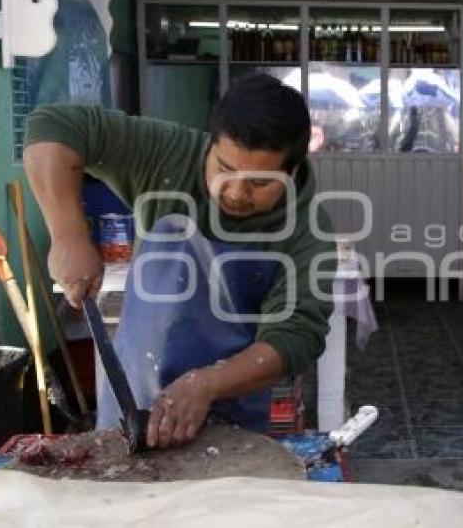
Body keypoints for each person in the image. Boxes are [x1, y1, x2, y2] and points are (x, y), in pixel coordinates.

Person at [24, 73, 336, 449]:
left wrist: (206, 384)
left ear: (294, 170)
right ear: (211, 143)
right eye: (224, 168)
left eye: (258, 184)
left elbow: (296, 336)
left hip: (231, 422)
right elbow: (55, 127)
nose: (235, 193)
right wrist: (68, 235)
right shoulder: (167, 154)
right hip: (131, 412)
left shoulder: (307, 228)